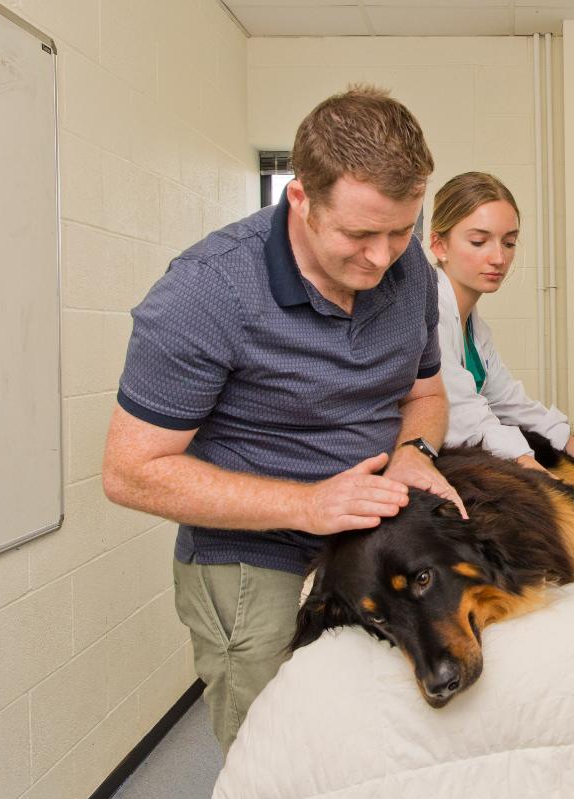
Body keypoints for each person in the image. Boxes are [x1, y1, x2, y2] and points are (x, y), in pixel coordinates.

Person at [101, 85, 464, 752]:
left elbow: (427, 394)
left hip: (369, 534)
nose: (383, 257)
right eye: (359, 233)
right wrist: (308, 503)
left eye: (401, 228)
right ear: (299, 199)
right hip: (251, 551)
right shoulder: (205, 291)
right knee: (272, 746)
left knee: (385, 732)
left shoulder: (410, 270)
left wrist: (416, 452)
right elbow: (130, 471)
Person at [429, 171, 574, 510]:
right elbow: (463, 415)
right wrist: (551, 483)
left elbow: (517, 408)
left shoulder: (475, 329)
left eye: (508, 242)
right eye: (479, 242)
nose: (498, 258)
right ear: (439, 245)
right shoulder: (429, 314)